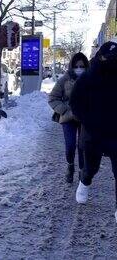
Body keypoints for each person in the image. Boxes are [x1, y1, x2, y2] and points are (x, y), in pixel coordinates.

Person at [70, 39, 117, 223]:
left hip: (115, 132)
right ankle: (85, 181)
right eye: (107, 57)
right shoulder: (87, 78)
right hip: (93, 133)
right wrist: (88, 121)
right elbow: (76, 103)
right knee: (91, 167)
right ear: (100, 57)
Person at [48, 52, 90, 183]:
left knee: (83, 146)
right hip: (68, 118)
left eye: (82, 66)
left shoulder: (91, 79)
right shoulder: (64, 79)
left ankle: (82, 171)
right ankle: (70, 166)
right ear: (72, 66)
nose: (79, 68)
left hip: (85, 118)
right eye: (76, 66)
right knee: (70, 145)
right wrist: (64, 110)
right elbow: (53, 98)